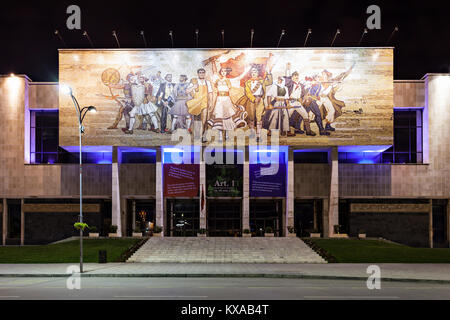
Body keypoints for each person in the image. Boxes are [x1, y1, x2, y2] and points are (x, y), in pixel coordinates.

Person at [207, 66, 247, 141]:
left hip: (226, 100)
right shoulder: (217, 80)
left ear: (226, 72)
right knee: (219, 116)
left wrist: (246, 70)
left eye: (224, 71)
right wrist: (213, 63)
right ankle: (220, 136)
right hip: (219, 100)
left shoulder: (229, 80)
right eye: (222, 71)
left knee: (228, 117)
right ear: (220, 72)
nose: (223, 73)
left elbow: (239, 78)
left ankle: (227, 135)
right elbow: (214, 72)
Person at [236, 66, 273, 138]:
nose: (253, 73)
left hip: (260, 100)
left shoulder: (261, 81)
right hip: (251, 100)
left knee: (259, 117)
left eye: (255, 72)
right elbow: (248, 92)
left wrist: (269, 73)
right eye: (252, 72)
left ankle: (258, 134)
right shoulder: (248, 82)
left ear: (258, 73)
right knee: (251, 117)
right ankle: (252, 133)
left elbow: (270, 82)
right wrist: (253, 99)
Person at [186, 68, 214, 139]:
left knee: (204, 120)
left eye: (203, 72)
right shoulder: (194, 82)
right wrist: (193, 87)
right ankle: (197, 135)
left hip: (205, 103)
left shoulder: (207, 82)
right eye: (200, 73)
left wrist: (211, 103)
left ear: (204, 74)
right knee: (196, 120)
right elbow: (187, 91)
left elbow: (210, 93)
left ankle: (204, 136)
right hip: (196, 103)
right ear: (198, 74)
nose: (201, 74)